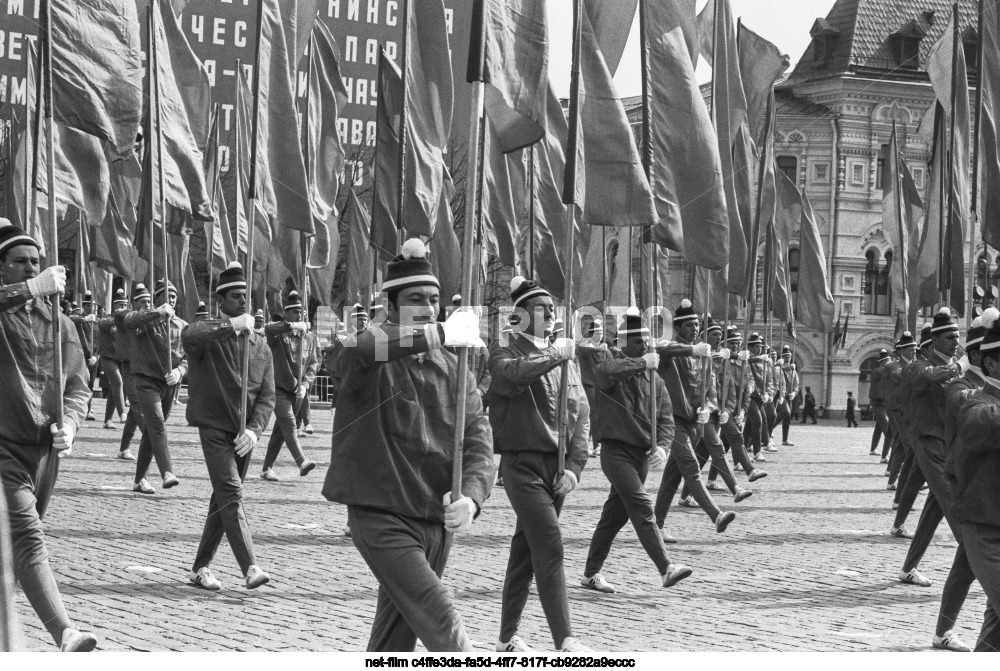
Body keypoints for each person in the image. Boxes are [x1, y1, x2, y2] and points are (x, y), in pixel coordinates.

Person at [322, 239, 494, 651]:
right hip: (382, 514)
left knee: (393, 643)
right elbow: (365, 347)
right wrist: (439, 333)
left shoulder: (456, 367)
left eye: (434, 300)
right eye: (416, 298)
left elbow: (478, 437)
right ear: (392, 307)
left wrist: (471, 496)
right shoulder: (364, 350)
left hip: (437, 520)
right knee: (441, 618)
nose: (430, 307)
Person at [0, 222, 98, 650]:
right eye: (19, 263)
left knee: (16, 547)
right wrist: (30, 288)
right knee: (27, 537)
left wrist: (73, 425)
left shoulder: (59, 323)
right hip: (2, 443)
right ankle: (65, 632)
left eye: (36, 263)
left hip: (44, 452)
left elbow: (78, 383)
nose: (29, 269)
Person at [489, 275, 591, 653]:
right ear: (520, 316)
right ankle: (566, 639)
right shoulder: (505, 348)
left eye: (552, 308)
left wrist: (575, 468)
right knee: (549, 545)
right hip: (521, 466)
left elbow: (581, 412)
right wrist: (554, 355)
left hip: (558, 470)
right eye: (540, 308)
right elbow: (509, 378)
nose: (550, 313)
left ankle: (504, 639)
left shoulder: (563, 354)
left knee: (524, 553)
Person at [580, 309, 692, 593]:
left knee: (613, 518)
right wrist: (641, 363)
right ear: (622, 342)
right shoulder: (611, 363)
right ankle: (666, 567)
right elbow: (605, 373)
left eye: (646, 340)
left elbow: (666, 418)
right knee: (642, 506)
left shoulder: (655, 378)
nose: (645, 345)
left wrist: (664, 448)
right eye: (638, 340)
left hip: (641, 456)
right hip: (615, 451)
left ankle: (590, 574)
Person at [184, 262, 275, 591]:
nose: (243, 302)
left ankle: (200, 567)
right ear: (221, 301)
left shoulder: (261, 346)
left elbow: (268, 397)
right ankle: (249, 566)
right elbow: (189, 336)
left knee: (221, 500)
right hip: (213, 427)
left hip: (243, 436)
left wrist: (254, 431)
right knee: (232, 494)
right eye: (236, 297)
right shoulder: (209, 334)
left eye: (246, 297)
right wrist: (230, 326)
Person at [891, 308, 973, 650]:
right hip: (929, 443)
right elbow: (934, 378)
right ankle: (978, 562)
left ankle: (909, 568)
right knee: (959, 515)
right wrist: (962, 367)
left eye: (957, 336)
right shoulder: (918, 366)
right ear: (933, 342)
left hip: (945, 443)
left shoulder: (948, 364)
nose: (957, 341)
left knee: (934, 509)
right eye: (950, 337)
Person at [653, 300, 736, 540]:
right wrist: (692, 350)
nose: (695, 329)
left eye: (697, 325)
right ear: (678, 327)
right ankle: (716, 515)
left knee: (671, 479)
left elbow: (710, 390)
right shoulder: (672, 349)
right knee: (691, 468)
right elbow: (662, 348)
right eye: (689, 325)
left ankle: (656, 525)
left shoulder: (704, 354)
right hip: (671, 421)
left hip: (694, 423)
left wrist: (709, 409)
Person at [953, 314, 1000, 652]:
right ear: (990, 363)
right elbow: (975, 428)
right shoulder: (975, 401)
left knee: (993, 633)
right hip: (987, 532)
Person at [124, 279, 186, 494]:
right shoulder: (146, 321)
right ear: (157, 299)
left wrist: (180, 372)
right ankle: (167, 472)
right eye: (166, 296)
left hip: (169, 385)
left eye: (173, 296)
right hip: (146, 381)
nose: (171, 300)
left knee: (151, 432)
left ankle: (139, 480)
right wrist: (157, 313)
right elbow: (128, 321)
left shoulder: (182, 325)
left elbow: (189, 358)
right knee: (158, 424)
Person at [260, 291, 318, 481]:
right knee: (290, 424)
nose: (299, 316)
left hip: (298, 391)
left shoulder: (310, 337)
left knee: (280, 432)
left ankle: (266, 468)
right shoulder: (279, 335)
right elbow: (268, 329)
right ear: (287, 314)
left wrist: (306, 384)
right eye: (294, 313)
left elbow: (313, 363)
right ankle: (301, 461)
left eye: (301, 313)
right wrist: (291, 325)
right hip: (278, 389)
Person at [96, 289, 130, 432]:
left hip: (122, 358)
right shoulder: (107, 318)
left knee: (114, 389)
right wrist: (117, 316)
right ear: (115, 306)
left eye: (124, 305)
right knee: (117, 382)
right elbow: (102, 324)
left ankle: (107, 420)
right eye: (120, 305)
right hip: (108, 357)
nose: (122, 308)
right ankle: (122, 413)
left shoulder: (127, 320)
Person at [69, 290, 99, 422]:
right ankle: (78, 409)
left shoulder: (97, 323)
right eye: (87, 306)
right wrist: (84, 318)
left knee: (91, 384)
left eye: (93, 306)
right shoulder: (79, 319)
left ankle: (89, 408)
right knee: (80, 383)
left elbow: (102, 342)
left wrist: (96, 356)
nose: (90, 308)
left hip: (93, 358)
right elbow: (69, 318)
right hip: (80, 356)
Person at [869, 349, 892, 456]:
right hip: (877, 403)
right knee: (887, 429)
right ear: (883, 362)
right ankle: (888, 454)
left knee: (878, 428)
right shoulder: (878, 371)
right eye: (888, 361)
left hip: (884, 403)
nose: (890, 363)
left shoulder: (884, 371)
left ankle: (873, 449)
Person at [776, 345, 799, 446]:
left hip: (788, 396)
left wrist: (794, 392)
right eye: (785, 357)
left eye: (789, 357)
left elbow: (797, 384)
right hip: (779, 395)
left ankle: (784, 439)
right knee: (784, 412)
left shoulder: (793, 371)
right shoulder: (780, 368)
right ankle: (767, 432)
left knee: (787, 416)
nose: (787, 359)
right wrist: (789, 367)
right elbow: (779, 369)